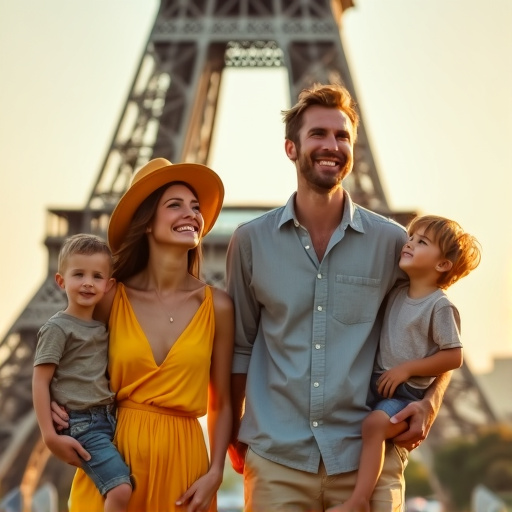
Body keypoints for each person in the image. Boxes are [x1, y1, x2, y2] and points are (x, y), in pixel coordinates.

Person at [225, 83, 452, 511]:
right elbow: (240, 347)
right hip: (277, 462)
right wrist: (234, 438)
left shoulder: (392, 243)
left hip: (367, 464)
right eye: (318, 134)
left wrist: (430, 403)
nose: (332, 145)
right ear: (291, 148)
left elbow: (437, 332)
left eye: (342, 135)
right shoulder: (250, 242)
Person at [51, 158, 234, 512]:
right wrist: (50, 420)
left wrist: (215, 471)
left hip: (186, 467)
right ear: (147, 222)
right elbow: (60, 351)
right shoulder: (110, 299)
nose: (191, 214)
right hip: (115, 461)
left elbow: (222, 402)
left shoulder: (219, 307)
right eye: (175, 205)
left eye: (196, 207)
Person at [332, 215, 481, 512]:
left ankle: (360, 499)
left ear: (442, 265)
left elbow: (453, 356)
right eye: (411, 237)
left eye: (421, 242)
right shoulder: (398, 292)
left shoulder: (440, 305)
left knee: (374, 426)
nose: (409, 243)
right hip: (379, 382)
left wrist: (407, 369)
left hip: (406, 391)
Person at [33, 234, 132, 512]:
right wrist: (49, 435)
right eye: (79, 274)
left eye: (97, 276)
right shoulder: (57, 328)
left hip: (110, 418)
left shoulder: (103, 327)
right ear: (60, 281)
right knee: (121, 489)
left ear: (109, 285)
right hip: (82, 424)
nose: (88, 282)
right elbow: (40, 380)